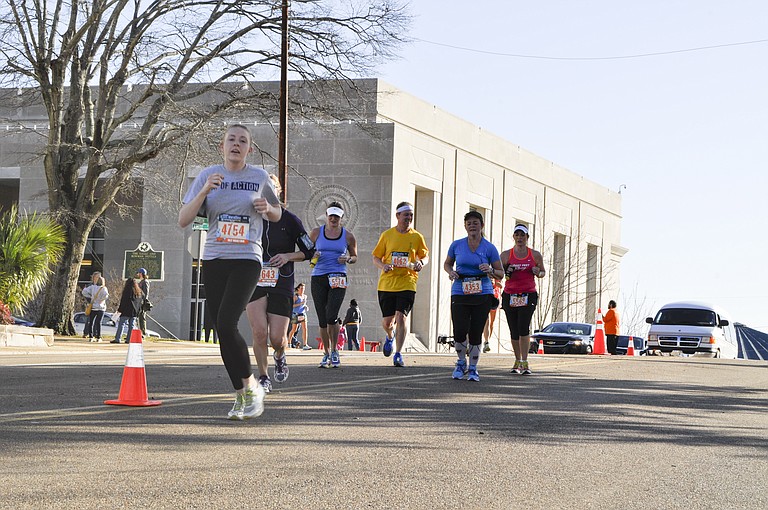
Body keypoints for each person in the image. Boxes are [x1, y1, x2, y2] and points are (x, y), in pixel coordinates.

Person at [178, 123, 282, 421]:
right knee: (223, 332)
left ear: (249, 148)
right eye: (231, 140)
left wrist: (267, 208)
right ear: (222, 147)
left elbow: (277, 213)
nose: (236, 144)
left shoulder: (259, 177)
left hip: (247, 258)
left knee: (226, 323)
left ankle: (251, 387)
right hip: (214, 258)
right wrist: (205, 191)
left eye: (243, 141)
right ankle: (242, 395)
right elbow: (183, 219)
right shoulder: (207, 176)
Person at [245, 174, 315, 393]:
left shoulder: (290, 220)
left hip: (281, 281)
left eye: (270, 188)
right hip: (254, 281)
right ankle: (264, 376)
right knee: (258, 332)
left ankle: (280, 354)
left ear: (278, 192)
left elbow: (309, 251)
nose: (265, 193)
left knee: (277, 337)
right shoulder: (248, 217)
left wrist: (287, 256)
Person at [443, 211, 503, 381]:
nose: (472, 226)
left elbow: (501, 273)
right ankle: (461, 363)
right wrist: (451, 272)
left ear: (482, 225)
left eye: (475, 223)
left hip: (482, 291)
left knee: (476, 332)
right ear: (465, 226)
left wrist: (490, 270)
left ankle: (474, 368)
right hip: (460, 291)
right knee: (460, 330)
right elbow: (447, 263)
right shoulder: (457, 245)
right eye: (469, 223)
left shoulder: (489, 248)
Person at [372, 201, 429, 367]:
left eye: (411, 215)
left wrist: (421, 263)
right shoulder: (387, 235)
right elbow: (375, 257)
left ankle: (398, 353)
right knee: (387, 322)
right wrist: (383, 266)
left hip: (408, 281)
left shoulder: (417, 237)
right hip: (387, 283)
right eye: (406, 215)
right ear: (398, 216)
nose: (409, 218)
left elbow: (425, 256)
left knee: (401, 317)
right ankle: (390, 336)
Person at [309, 201, 358, 368]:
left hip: (338, 275)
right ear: (326, 216)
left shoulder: (348, 235)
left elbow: (354, 256)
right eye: (331, 216)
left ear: (341, 218)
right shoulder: (316, 233)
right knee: (323, 319)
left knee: (332, 315)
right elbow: (306, 250)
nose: (333, 219)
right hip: (318, 276)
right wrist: (312, 254)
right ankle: (326, 353)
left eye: (337, 216)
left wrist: (348, 259)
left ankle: (335, 350)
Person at [500, 224, 546, 375]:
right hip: (510, 294)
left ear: (527, 238)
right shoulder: (506, 255)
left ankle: (525, 361)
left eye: (523, 235)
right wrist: (507, 271)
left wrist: (537, 272)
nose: (520, 238)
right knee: (513, 329)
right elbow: (500, 274)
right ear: (513, 237)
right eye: (517, 235)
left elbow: (543, 272)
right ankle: (517, 359)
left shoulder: (535, 255)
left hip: (528, 294)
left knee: (523, 327)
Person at [112, 277, 143, 344]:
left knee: (121, 324)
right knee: (131, 326)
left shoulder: (127, 290)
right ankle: (129, 339)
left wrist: (120, 309)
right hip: (134, 311)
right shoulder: (138, 292)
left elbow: (123, 301)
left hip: (126, 310)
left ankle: (118, 338)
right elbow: (140, 302)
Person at [81, 275, 109, 343]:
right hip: (101, 307)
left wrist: (90, 296)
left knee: (91, 322)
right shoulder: (104, 288)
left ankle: (91, 336)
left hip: (93, 307)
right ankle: (98, 337)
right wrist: (102, 299)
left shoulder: (92, 287)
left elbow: (84, 292)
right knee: (98, 322)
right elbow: (106, 295)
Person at [483, 277, 503, 353]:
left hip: (494, 298)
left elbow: (500, 284)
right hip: (485, 296)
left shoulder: (495, 271)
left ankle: (488, 341)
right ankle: (486, 341)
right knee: (486, 321)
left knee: (491, 322)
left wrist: (496, 284)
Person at [289, 283, 310, 350]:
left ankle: (305, 344)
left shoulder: (305, 296)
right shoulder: (296, 296)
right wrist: (300, 304)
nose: (302, 290)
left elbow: (304, 305)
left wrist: (306, 307)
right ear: (298, 289)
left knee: (305, 329)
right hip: (295, 314)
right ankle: (289, 342)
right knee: (294, 329)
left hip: (302, 314)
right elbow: (292, 306)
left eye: (303, 289)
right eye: (301, 288)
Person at [82, 271, 102, 338]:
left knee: (97, 321)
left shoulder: (101, 286)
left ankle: (95, 333)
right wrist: (90, 298)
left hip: (99, 305)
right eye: (95, 277)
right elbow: (84, 292)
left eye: (98, 277)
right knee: (89, 320)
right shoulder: (90, 286)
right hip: (91, 304)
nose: (96, 279)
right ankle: (86, 332)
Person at [135, 268, 150, 335]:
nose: (138, 274)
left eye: (139, 273)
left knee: (142, 318)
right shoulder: (141, 282)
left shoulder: (145, 282)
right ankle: (138, 332)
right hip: (139, 301)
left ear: (141, 273)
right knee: (138, 317)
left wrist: (143, 301)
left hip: (142, 302)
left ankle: (142, 333)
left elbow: (145, 293)